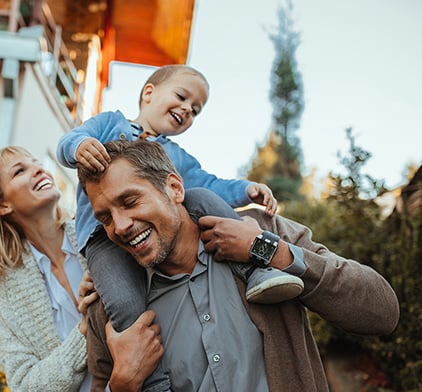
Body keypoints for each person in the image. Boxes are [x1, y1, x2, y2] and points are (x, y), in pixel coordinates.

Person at [78, 139, 400, 392]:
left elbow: (382, 312)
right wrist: (122, 386)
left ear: (174, 189)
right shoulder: (110, 310)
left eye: (130, 201)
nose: (119, 226)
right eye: (105, 217)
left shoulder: (263, 232)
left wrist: (267, 251)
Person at [57, 64, 303, 390]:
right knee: (125, 303)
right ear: (149, 93)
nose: (188, 109)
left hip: (156, 231)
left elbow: (208, 184)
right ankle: (154, 382)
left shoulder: (176, 157)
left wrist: (246, 190)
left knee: (200, 196)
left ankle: (256, 269)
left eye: (196, 110)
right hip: (103, 239)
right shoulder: (110, 123)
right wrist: (79, 148)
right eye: (182, 96)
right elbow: (70, 140)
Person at [0, 146, 99, 392]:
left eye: (37, 163)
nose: (40, 169)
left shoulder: (94, 237)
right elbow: (25, 386)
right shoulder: (6, 289)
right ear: (4, 204)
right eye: (20, 171)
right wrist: (83, 331)